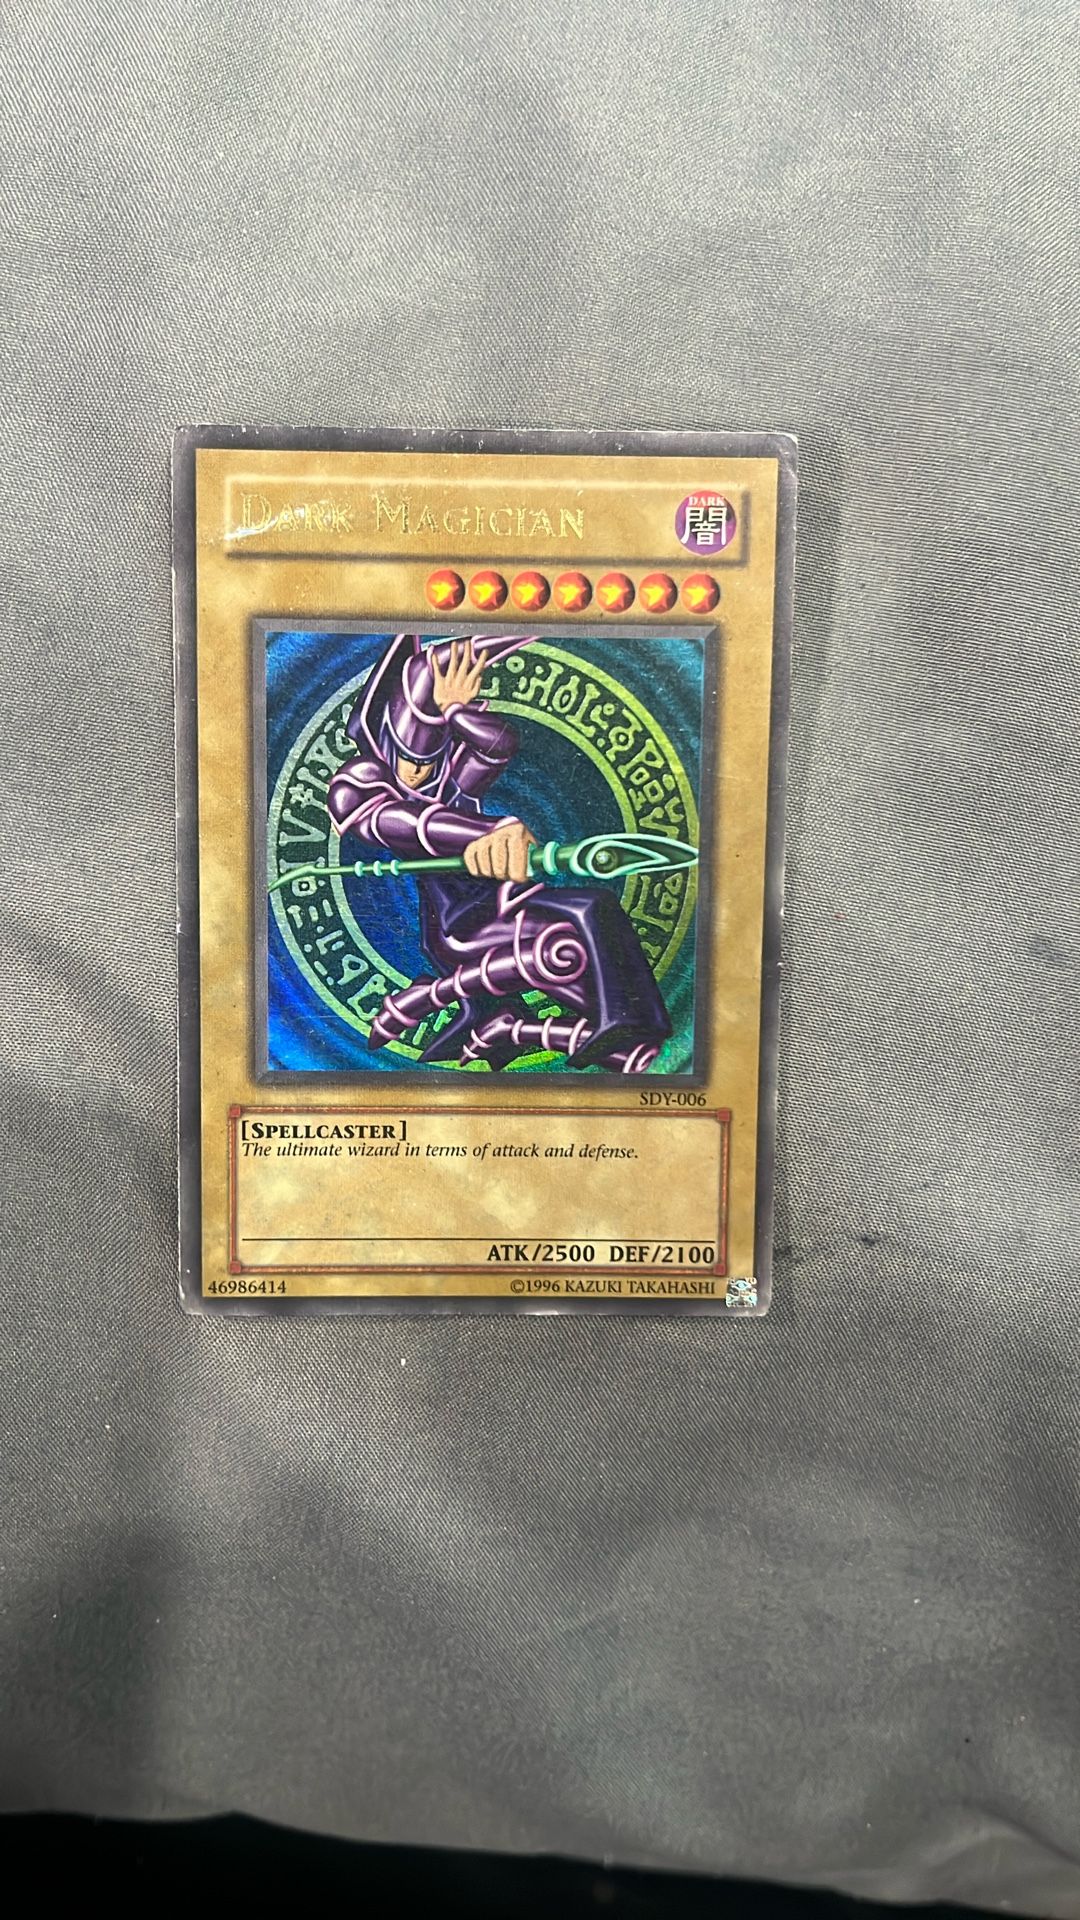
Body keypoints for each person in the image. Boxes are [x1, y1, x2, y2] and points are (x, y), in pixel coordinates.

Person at [327, 633, 671, 1072]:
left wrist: (456, 711)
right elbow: (400, 822)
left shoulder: (449, 779)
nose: (418, 774)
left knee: (592, 918)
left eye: (428, 762)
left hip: (499, 902)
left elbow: (499, 745)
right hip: (459, 924)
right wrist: (482, 832)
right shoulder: (362, 784)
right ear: (385, 743)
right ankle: (586, 1025)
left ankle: (568, 1025)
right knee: (573, 931)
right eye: (408, 761)